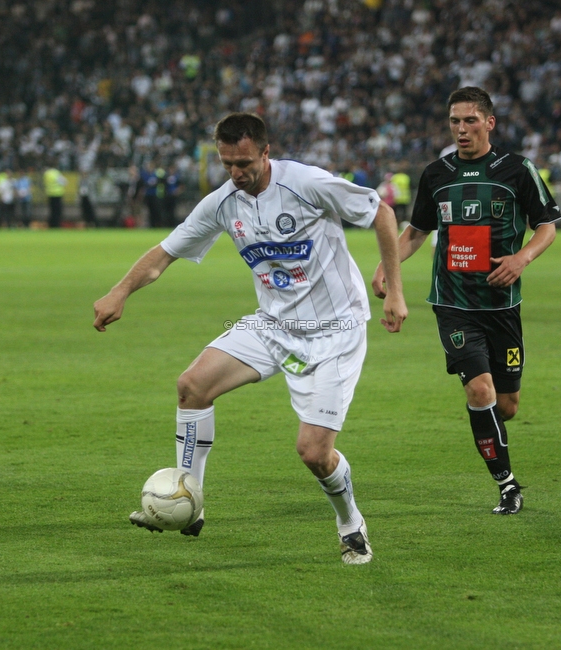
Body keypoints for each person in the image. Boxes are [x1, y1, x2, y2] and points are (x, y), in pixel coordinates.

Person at [93, 112, 407, 564]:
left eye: (244, 163)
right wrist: (119, 291)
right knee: (192, 386)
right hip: (272, 325)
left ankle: (350, 524)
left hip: (335, 331)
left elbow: (381, 213)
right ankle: (188, 501)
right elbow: (165, 253)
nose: (237, 173)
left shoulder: (306, 183)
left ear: (265, 152)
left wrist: (394, 291)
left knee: (314, 452)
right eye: (228, 165)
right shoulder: (224, 202)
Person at [372, 87, 559, 515]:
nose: (461, 129)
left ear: (489, 123)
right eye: (455, 121)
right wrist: (387, 266)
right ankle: (508, 486)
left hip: (502, 306)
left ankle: (485, 423)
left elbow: (546, 225)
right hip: (453, 305)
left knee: (506, 405)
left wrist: (521, 258)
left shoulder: (516, 169)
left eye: (470, 120)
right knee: (480, 389)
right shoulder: (437, 173)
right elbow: (416, 231)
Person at [44, 164, 67, 228]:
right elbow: (64, 182)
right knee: (57, 211)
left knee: (52, 210)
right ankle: (56, 224)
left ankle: (51, 224)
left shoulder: (46, 173)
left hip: (49, 193)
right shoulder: (56, 173)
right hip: (57, 194)